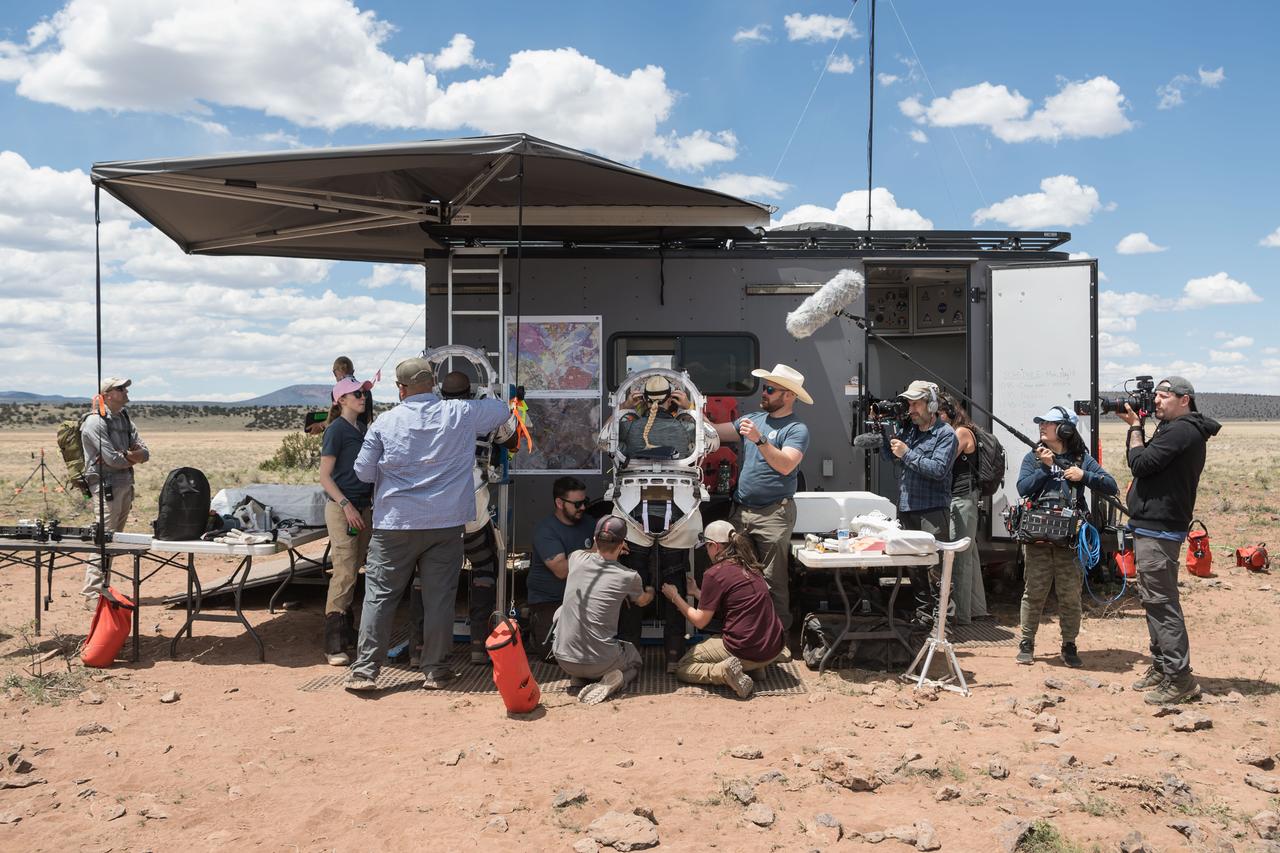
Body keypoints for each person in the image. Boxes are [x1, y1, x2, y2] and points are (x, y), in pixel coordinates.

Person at [343, 357, 511, 692]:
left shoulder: (385, 423)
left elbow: (362, 472)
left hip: (395, 523)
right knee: (440, 598)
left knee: (380, 595)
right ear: (432, 384)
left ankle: (365, 672)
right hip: (445, 522)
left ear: (400, 388)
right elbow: (503, 411)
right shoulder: (460, 413)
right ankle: (436, 670)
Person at [1119, 377, 1220, 704]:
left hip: (1160, 529)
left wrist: (1135, 429)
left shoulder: (1182, 431)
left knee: (1162, 602)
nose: (1157, 401)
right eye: (1156, 396)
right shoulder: (1173, 429)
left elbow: (1141, 463)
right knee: (1152, 599)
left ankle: (1180, 678)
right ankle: (1163, 666)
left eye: (1164, 396)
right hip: (1152, 525)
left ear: (1184, 400)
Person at [1015, 406, 1117, 668]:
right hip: (1037, 537)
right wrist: (1045, 469)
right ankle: (1026, 643)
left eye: (1048, 423)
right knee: (1034, 592)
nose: (1042, 427)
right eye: (1041, 423)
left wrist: (1084, 475)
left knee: (1070, 594)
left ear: (1064, 430)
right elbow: (1023, 488)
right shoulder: (1034, 457)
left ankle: (1069, 644)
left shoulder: (1081, 459)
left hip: (1070, 539)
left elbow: (1111, 485)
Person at [712, 363, 811, 632]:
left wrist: (760, 440)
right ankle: (741, 632)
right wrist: (689, 409)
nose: (763, 393)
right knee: (736, 573)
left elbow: (786, 465)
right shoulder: (753, 419)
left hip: (773, 514)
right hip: (742, 511)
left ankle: (777, 639)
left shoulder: (796, 429)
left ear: (788, 395)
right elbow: (715, 433)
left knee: (772, 580)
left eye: (769, 389)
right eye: (764, 387)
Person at [614, 376, 699, 670]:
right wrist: (690, 408)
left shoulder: (628, 424)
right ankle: (674, 656)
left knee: (632, 581)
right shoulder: (685, 425)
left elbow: (604, 439)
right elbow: (708, 438)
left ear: (643, 399)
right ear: (670, 398)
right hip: (680, 509)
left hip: (631, 508)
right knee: (675, 580)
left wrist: (623, 409)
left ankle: (631, 655)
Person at [662, 520, 786, 699]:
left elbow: (700, 621)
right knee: (747, 625)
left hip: (746, 648)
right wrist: (697, 592)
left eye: (707, 546)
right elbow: (734, 601)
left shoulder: (715, 573)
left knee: (684, 666)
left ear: (715, 546)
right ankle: (756, 668)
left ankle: (724, 672)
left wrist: (675, 597)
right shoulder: (750, 566)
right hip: (773, 646)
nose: (706, 551)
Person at [552, 515, 655, 705]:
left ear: (595, 538)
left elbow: (591, 551)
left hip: (564, 660)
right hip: (602, 661)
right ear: (622, 543)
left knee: (561, 611)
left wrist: (606, 547)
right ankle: (617, 679)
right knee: (634, 660)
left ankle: (579, 677)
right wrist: (651, 591)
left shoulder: (576, 558)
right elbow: (641, 601)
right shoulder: (629, 576)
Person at [881, 380, 956, 624]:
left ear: (931, 405)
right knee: (914, 568)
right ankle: (923, 617)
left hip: (932, 511)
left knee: (935, 569)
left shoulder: (945, 434)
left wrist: (907, 453)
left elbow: (938, 469)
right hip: (907, 508)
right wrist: (885, 434)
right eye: (909, 404)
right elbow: (890, 457)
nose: (911, 409)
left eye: (916, 404)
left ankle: (943, 622)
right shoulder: (909, 431)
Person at [317, 377, 374, 666]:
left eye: (363, 392)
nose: (362, 397)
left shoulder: (361, 428)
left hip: (362, 508)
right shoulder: (336, 431)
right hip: (343, 509)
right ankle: (333, 643)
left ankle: (347, 632)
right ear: (341, 400)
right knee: (344, 571)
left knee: (354, 567)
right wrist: (346, 505)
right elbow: (324, 476)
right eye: (356, 393)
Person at [80, 377, 149, 605]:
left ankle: (103, 589)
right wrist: (131, 456)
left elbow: (145, 453)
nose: (126, 391)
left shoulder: (125, 419)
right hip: (106, 486)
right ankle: (92, 593)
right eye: (120, 388)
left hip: (125, 484)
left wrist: (127, 457)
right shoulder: (94, 423)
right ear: (108, 394)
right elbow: (111, 459)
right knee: (103, 539)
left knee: (112, 540)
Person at [527, 476, 595, 659]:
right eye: (578, 503)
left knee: (590, 652)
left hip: (583, 600)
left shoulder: (589, 523)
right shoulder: (546, 530)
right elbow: (562, 570)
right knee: (555, 655)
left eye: (585, 502)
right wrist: (595, 551)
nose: (583, 507)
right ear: (559, 502)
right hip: (551, 601)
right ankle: (535, 629)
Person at [937, 394, 989, 625]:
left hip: (962, 498)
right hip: (964, 498)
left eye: (938, 413)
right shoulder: (962, 429)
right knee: (970, 555)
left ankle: (962, 615)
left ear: (948, 413)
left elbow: (945, 461)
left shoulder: (960, 433)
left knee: (960, 557)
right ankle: (977, 609)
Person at [332, 356, 376, 428]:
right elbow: (369, 417)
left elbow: (334, 417)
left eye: (357, 394)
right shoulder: (366, 390)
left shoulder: (338, 393)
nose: (363, 397)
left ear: (335, 373)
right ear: (353, 371)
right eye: (358, 394)